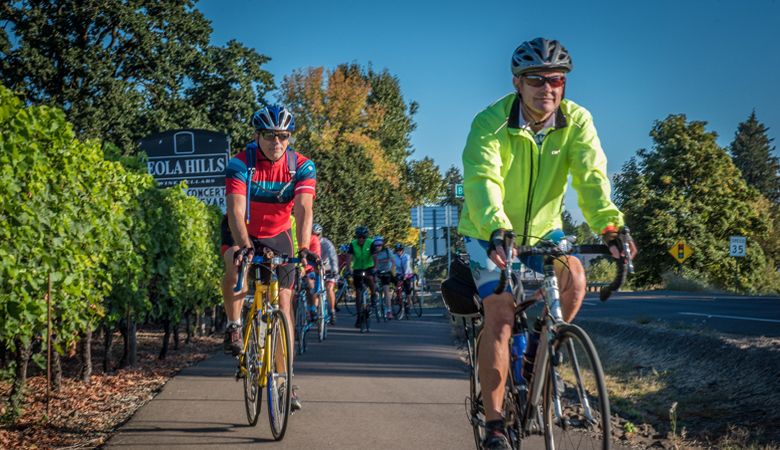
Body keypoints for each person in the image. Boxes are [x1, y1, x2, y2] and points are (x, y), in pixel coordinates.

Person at [458, 38, 637, 450]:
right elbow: (483, 181)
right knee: (500, 318)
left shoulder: (577, 122)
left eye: (556, 79)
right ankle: (497, 424)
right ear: (518, 83)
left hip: (545, 231)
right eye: (536, 79)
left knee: (574, 273)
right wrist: (496, 229)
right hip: (488, 231)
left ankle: (541, 347)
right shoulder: (491, 123)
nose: (548, 88)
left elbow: (592, 179)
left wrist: (611, 227)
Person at [221, 104, 317, 412]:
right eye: (269, 136)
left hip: (278, 236)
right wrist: (245, 244)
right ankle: (235, 324)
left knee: (284, 306)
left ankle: (284, 380)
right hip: (242, 229)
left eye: (283, 136)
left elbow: (303, 208)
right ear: (257, 135)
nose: (276, 143)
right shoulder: (240, 164)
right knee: (237, 263)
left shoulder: (301, 166)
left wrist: (303, 248)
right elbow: (235, 210)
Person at [343, 225, 378, 332]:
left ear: (366, 237)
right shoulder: (353, 244)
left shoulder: (371, 243)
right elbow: (349, 257)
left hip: (369, 267)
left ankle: (373, 295)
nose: (361, 239)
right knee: (358, 293)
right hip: (357, 268)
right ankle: (359, 316)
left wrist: (375, 267)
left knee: (371, 279)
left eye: (363, 237)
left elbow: (375, 256)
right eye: (359, 237)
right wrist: (349, 268)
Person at [314, 224, 340, 325]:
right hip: (316, 268)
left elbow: (333, 256)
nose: (316, 236)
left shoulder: (326, 243)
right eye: (314, 234)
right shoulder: (309, 242)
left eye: (318, 234)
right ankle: (314, 311)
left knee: (329, 288)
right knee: (314, 289)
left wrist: (335, 271)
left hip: (328, 268)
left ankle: (332, 311)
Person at [372, 236, 396, 319]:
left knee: (386, 290)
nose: (378, 247)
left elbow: (393, 261)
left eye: (380, 245)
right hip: (377, 272)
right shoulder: (373, 253)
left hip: (386, 271)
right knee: (373, 286)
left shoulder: (387, 251)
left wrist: (392, 271)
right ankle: (374, 301)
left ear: (382, 245)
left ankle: (388, 311)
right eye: (376, 245)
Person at [393, 244, 415, 313]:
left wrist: (405, 276)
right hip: (399, 273)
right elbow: (392, 266)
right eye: (397, 250)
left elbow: (407, 267)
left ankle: (408, 304)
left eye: (400, 250)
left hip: (408, 274)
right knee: (397, 286)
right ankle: (399, 299)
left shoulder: (406, 257)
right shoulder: (395, 257)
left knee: (408, 291)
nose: (398, 251)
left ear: (402, 250)